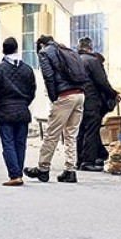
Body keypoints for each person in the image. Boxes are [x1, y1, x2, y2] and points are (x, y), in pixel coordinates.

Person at [24, 35, 86, 183]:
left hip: (65, 96)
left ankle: (43, 168)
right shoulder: (67, 50)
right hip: (79, 94)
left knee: (52, 133)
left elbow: (48, 77)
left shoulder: (44, 52)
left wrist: (54, 98)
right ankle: (70, 170)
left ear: (41, 45)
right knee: (71, 134)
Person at [0, 37, 37, 187]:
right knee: (20, 144)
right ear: (16, 49)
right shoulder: (27, 69)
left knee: (8, 144)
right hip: (22, 111)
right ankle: (18, 173)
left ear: (3, 50)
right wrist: (24, 103)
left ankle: (14, 175)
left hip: (4, 111)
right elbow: (31, 91)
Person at [76, 37, 119, 171]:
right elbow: (102, 82)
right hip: (91, 100)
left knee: (81, 130)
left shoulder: (74, 60)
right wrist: (113, 94)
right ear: (90, 47)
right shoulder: (93, 61)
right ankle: (88, 161)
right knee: (91, 130)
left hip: (77, 99)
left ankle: (79, 160)